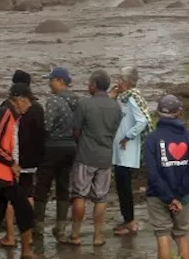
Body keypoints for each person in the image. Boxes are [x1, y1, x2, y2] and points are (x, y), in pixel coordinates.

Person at [0, 83, 46, 259]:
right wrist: (11, 162)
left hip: (1, 173)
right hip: (0, 173)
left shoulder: (11, 115)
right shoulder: (5, 113)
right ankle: (27, 254)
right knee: (25, 209)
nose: (29, 106)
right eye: (28, 102)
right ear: (20, 100)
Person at [142, 94, 189, 259]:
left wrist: (169, 197)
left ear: (157, 114)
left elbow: (152, 173)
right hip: (183, 197)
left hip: (158, 195)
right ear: (180, 113)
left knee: (162, 236)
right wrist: (178, 197)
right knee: (181, 236)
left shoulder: (151, 139)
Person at [64, 70, 122, 246]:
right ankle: (98, 236)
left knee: (79, 195)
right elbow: (115, 128)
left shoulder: (85, 105)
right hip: (105, 157)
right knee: (101, 197)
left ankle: (75, 235)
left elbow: (75, 130)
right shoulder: (115, 107)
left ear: (95, 86)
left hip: (86, 155)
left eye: (89, 83)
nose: (88, 86)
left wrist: (82, 141)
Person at [0, 70, 45, 247]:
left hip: (14, 160)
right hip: (32, 159)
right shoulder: (38, 107)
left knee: (12, 198)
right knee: (28, 194)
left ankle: (10, 236)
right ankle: (27, 233)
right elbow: (42, 134)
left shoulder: (7, 107)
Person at [36, 67, 79, 239]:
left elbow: (47, 126)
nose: (49, 83)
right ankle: (60, 226)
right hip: (71, 148)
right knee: (63, 185)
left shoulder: (53, 101)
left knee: (43, 186)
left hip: (53, 146)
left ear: (60, 81)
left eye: (51, 79)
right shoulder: (77, 100)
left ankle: (38, 226)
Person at [112, 67, 150, 236]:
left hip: (126, 150)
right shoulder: (125, 98)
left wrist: (128, 136)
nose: (117, 82)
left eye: (120, 79)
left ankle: (130, 222)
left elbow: (141, 121)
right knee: (122, 185)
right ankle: (128, 220)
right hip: (122, 150)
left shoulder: (132, 98)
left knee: (124, 186)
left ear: (126, 82)